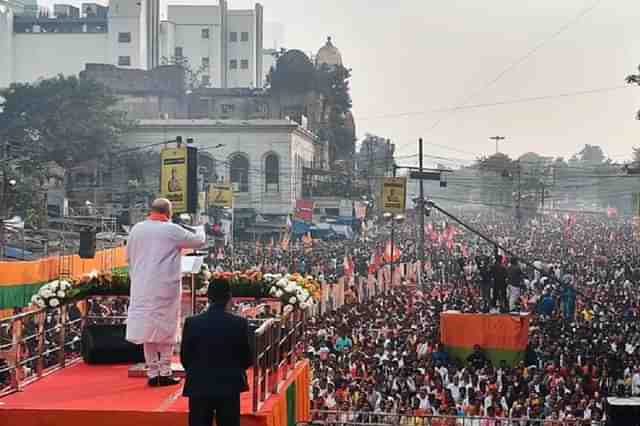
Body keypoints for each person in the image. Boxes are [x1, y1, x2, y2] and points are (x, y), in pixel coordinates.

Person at [126, 198, 206, 387]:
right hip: (164, 286)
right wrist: (199, 226)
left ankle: (153, 373)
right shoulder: (171, 229)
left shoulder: (136, 229)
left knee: (147, 330)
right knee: (167, 328)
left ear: (151, 210)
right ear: (168, 213)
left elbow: (128, 257)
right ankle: (165, 370)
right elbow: (199, 241)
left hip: (141, 286)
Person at [181, 279, 254, 426]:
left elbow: (185, 358)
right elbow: (247, 358)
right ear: (229, 297)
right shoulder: (239, 323)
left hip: (199, 385)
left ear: (208, 297)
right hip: (229, 386)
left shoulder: (192, 322)